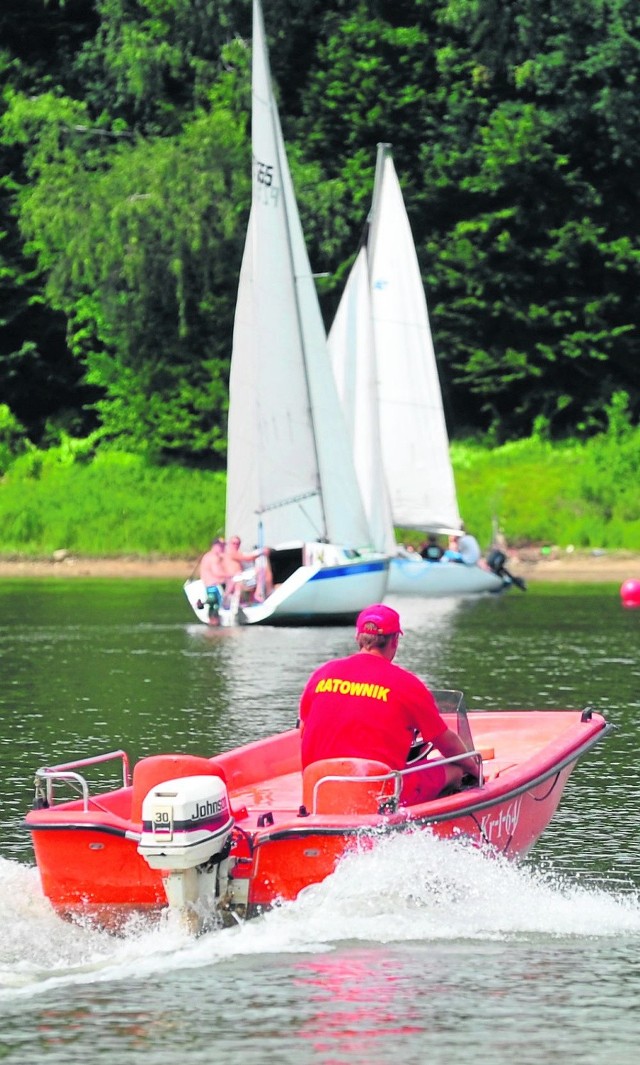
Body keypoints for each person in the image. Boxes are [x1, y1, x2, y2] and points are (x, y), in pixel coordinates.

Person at [298, 604, 479, 803]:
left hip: (319, 789)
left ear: (358, 638)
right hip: (380, 793)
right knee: (454, 768)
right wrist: (474, 768)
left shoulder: (321, 675)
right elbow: (445, 742)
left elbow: (304, 732)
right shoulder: (407, 685)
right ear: (394, 641)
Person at [224, 534, 273, 602]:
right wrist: (261, 552)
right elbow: (247, 558)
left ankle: (265, 592)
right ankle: (260, 593)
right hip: (235, 578)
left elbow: (247, 558)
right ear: (229, 543)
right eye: (234, 543)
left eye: (238, 543)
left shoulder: (236, 553)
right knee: (261, 570)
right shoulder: (230, 552)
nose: (236, 545)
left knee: (262, 568)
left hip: (240, 577)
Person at [198, 538, 227, 620]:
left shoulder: (207, 556)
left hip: (208, 585)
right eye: (221, 546)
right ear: (215, 546)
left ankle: (211, 618)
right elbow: (217, 573)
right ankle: (204, 604)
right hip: (214, 584)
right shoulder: (214, 557)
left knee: (213, 604)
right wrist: (231, 575)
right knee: (215, 603)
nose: (223, 548)